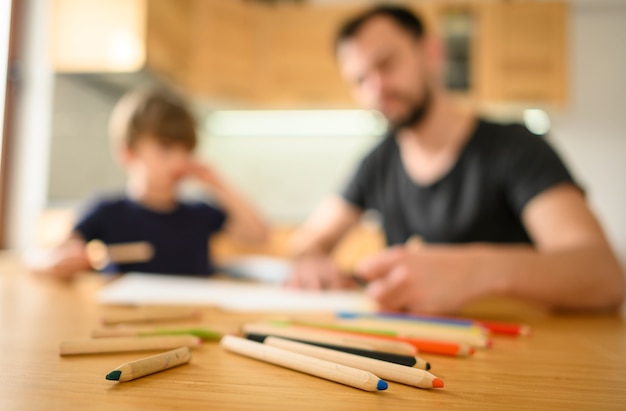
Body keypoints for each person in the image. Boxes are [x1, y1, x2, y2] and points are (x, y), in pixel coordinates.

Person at [288, 5, 625, 313]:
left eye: (386, 63)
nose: (375, 87)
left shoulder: (516, 147)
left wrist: (476, 271)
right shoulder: (377, 162)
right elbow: (309, 239)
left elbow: (603, 274)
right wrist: (312, 258)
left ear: (431, 52)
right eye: (359, 79)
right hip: (415, 357)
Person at [29, 86, 268, 278]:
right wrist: (62, 262)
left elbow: (258, 234)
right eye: (166, 148)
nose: (179, 161)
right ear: (128, 153)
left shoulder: (200, 214)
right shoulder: (106, 212)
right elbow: (42, 258)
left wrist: (215, 182)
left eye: (186, 150)